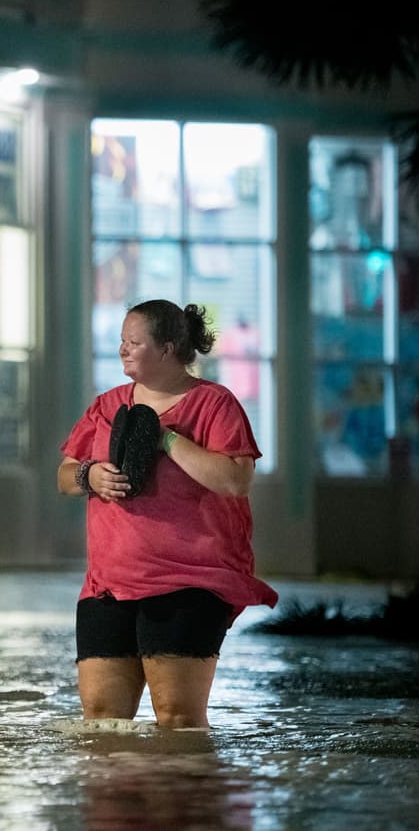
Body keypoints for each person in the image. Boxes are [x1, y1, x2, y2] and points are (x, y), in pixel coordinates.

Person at [57, 299, 277, 729]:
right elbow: (64, 476)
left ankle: (184, 796)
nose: (122, 349)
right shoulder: (107, 406)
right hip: (108, 585)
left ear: (168, 348)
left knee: (178, 720)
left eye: (134, 342)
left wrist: (168, 441)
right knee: (101, 722)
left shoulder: (214, 404)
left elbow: (236, 480)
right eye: (122, 341)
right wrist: (90, 476)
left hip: (189, 583)